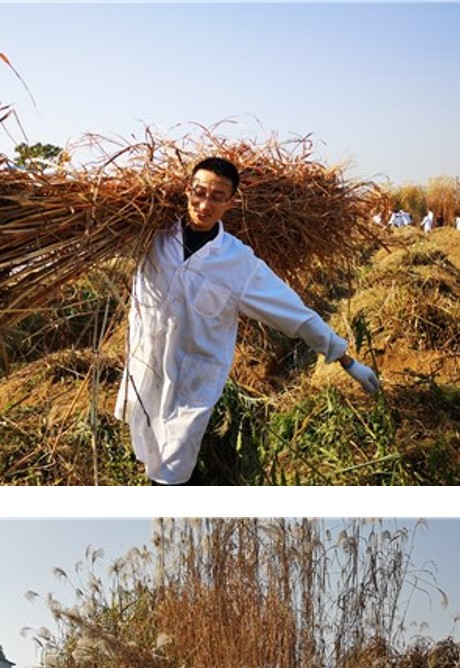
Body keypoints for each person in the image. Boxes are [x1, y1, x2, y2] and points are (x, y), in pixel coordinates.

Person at [115, 156, 381, 485]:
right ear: (187, 190)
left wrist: (345, 359)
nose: (204, 204)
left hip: (193, 381)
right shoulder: (152, 236)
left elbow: (293, 313)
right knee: (147, 451)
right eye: (199, 192)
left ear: (231, 202)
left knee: (171, 472)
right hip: (146, 369)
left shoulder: (237, 262)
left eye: (217, 197)